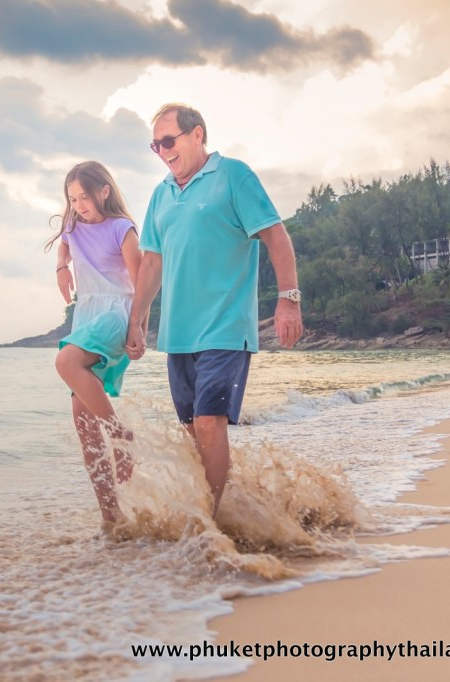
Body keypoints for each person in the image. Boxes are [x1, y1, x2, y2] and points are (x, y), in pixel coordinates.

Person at [126, 103, 303, 518]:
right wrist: (136, 320)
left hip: (226, 327)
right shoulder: (161, 193)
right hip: (177, 335)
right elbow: (152, 263)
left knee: (209, 422)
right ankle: (223, 506)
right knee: (193, 430)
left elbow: (275, 235)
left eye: (168, 141)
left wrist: (288, 299)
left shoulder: (233, 175)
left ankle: (208, 521)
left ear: (197, 134)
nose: (162, 151)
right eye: (155, 145)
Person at [47, 160, 144, 531]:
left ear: (104, 191)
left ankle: (121, 434)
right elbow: (64, 246)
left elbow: (142, 283)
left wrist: (139, 329)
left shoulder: (122, 228)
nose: (78, 205)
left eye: (84, 197)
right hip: (86, 316)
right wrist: (61, 268)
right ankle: (112, 519)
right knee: (84, 423)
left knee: (66, 361)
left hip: (117, 312)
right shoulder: (72, 226)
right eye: (72, 199)